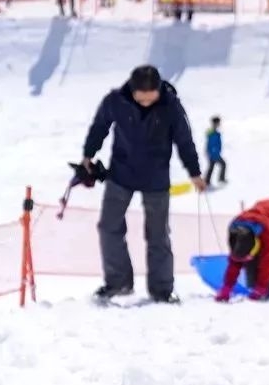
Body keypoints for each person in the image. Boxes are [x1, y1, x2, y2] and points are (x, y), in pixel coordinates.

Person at [81, 65, 205, 303]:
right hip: (121, 173)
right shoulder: (116, 101)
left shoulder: (171, 106)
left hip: (156, 178)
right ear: (132, 91)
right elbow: (99, 127)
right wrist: (88, 154)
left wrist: (195, 172)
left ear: (159, 90)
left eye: (151, 99)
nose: (146, 103)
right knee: (108, 226)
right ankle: (118, 282)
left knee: (158, 235)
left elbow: (184, 139)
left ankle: (162, 289)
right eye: (141, 99)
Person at [204, 116, 227, 186]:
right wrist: (214, 153)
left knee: (211, 167)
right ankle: (220, 179)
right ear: (215, 123)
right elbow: (211, 145)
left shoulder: (214, 132)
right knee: (223, 164)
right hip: (214, 153)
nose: (219, 124)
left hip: (214, 153)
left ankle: (207, 181)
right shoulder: (213, 133)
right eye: (218, 122)